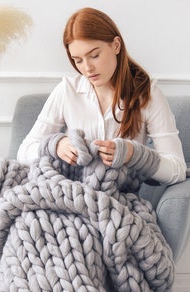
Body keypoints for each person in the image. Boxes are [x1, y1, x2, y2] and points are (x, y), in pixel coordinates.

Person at [17, 7, 186, 185]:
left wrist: (133, 154)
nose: (87, 68)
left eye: (94, 55)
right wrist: (56, 146)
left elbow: (177, 170)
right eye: (78, 60)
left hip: (117, 204)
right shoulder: (66, 91)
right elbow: (23, 152)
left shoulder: (147, 94)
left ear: (116, 45)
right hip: (66, 198)